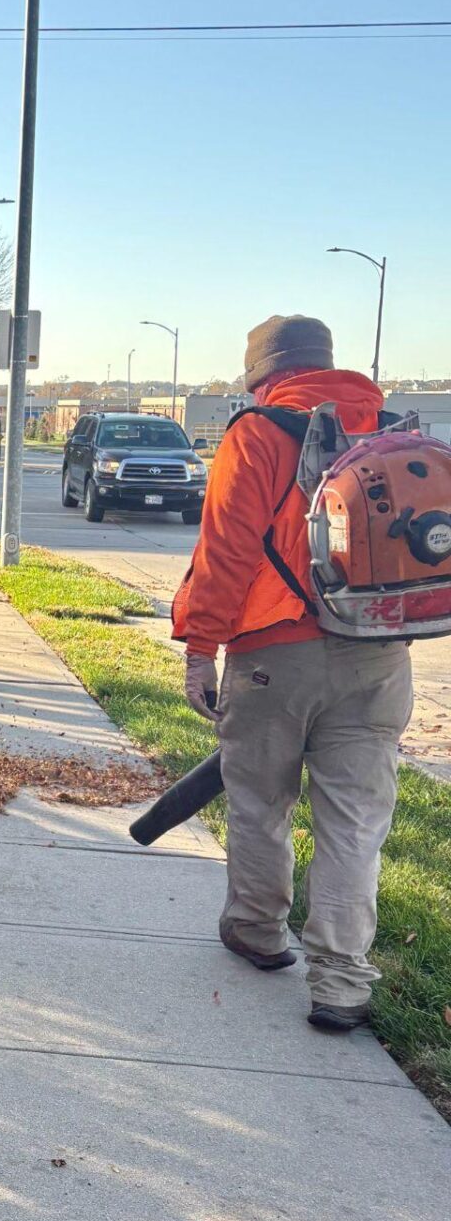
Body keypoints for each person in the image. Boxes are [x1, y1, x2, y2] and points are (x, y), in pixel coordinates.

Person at [171, 314, 413, 1033]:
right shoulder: (387, 430)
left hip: (275, 652)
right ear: (328, 362)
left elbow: (225, 555)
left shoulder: (256, 433)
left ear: (261, 372)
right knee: (354, 825)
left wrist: (199, 649)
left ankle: (256, 929)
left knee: (260, 801)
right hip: (378, 656)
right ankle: (340, 982)